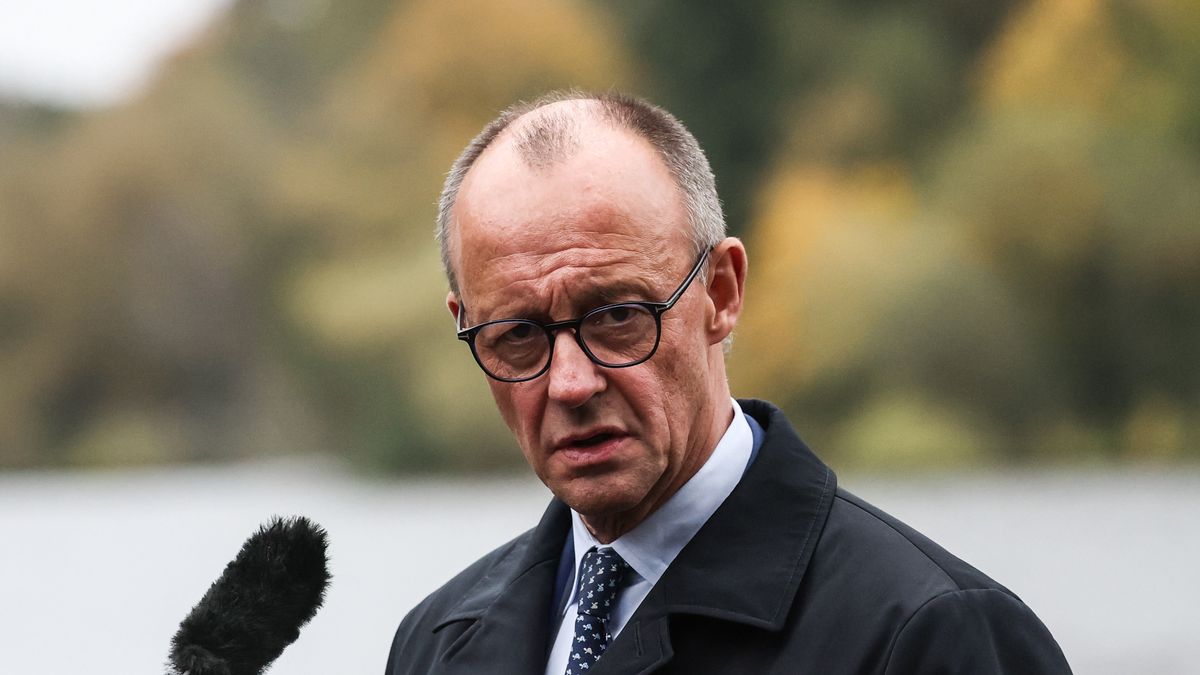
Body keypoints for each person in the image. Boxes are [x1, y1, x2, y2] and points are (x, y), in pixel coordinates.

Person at [385, 90, 1072, 674]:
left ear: (721, 291)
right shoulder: (436, 643)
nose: (569, 382)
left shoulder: (927, 635)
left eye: (619, 316)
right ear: (466, 324)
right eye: (517, 335)